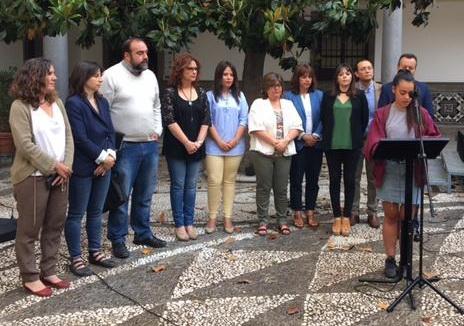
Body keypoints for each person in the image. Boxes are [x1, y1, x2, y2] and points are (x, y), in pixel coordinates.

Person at [365, 70, 440, 278]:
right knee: (391, 216)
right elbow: (373, 141)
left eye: (410, 93)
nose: (407, 97)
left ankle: (406, 260)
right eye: (402, 92)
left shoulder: (420, 113)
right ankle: (390, 259)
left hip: (413, 171)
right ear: (393, 90)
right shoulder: (383, 114)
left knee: (407, 218)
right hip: (390, 169)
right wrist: (381, 148)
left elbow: (433, 136)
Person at [9, 58, 74, 296]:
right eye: (50, 74)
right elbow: (24, 144)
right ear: (35, 77)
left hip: (60, 175)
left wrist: (65, 166)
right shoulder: (20, 106)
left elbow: (68, 136)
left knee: (55, 224)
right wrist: (53, 166)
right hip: (32, 177)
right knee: (29, 229)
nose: (55, 78)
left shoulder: (56, 102)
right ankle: (30, 276)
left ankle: (49, 270)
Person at [101, 37, 166, 259]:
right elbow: (103, 112)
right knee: (121, 196)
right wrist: (109, 146)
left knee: (145, 193)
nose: (145, 57)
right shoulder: (111, 76)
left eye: (146, 52)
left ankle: (142, 232)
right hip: (125, 146)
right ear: (126, 55)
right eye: (139, 53)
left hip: (149, 144)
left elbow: (156, 105)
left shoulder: (150, 76)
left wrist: (158, 128)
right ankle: (118, 239)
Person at [64, 61, 116, 277]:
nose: (100, 79)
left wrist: (111, 156)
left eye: (100, 75)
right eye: (96, 75)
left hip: (104, 166)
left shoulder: (102, 101)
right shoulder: (74, 103)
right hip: (84, 166)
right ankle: (76, 257)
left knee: (96, 212)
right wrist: (102, 158)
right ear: (84, 78)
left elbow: (110, 130)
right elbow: (80, 137)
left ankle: (95, 251)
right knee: (76, 213)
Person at [161, 53, 211, 241]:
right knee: (178, 185)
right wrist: (187, 143)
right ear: (180, 71)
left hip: (196, 146)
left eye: (196, 69)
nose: (194, 72)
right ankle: (179, 224)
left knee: (191, 186)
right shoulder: (170, 93)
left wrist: (198, 142)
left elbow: (206, 119)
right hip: (177, 146)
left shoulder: (203, 93)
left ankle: (190, 223)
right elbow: (169, 120)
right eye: (190, 68)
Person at [248, 72, 303, 236]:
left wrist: (285, 141)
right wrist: (274, 143)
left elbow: (297, 126)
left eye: (278, 85)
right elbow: (255, 128)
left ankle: (282, 220)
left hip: (284, 151)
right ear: (266, 88)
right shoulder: (259, 104)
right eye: (272, 86)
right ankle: (263, 221)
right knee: (264, 187)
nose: (275, 89)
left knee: (281, 188)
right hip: (263, 152)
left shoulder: (288, 104)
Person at [320, 63, 369, 237]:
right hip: (332, 145)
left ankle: (347, 216)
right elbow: (324, 119)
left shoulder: (360, 96)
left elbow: (364, 121)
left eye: (348, 73)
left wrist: (356, 136)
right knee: (334, 180)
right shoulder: (327, 97)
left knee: (350, 181)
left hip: (352, 146)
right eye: (341, 74)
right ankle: (336, 217)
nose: (345, 77)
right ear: (336, 78)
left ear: (352, 77)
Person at [205, 61, 248, 234]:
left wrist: (235, 140)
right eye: (225, 74)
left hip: (235, 147)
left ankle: (228, 218)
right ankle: (212, 218)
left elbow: (243, 119)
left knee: (230, 181)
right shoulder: (209, 96)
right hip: (214, 146)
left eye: (231, 74)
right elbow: (208, 120)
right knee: (214, 181)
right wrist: (220, 141)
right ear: (218, 76)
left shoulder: (240, 96)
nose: (228, 77)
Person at [283, 64, 323, 229]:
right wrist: (302, 136)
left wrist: (316, 135)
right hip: (298, 143)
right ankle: (297, 210)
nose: (307, 80)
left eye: (309, 76)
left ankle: (311, 210)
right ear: (297, 78)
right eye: (303, 76)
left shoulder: (319, 95)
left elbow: (325, 118)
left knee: (313, 179)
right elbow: (287, 120)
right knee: (296, 179)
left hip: (316, 143)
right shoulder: (289, 96)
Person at [352, 59, 382, 228]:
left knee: (373, 177)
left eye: (369, 68)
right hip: (357, 140)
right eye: (362, 69)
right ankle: (354, 211)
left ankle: (372, 212)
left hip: (374, 139)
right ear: (356, 73)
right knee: (354, 176)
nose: (367, 71)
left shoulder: (381, 89)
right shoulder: (352, 90)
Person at [378, 53, 434, 119]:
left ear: (415, 69)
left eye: (410, 68)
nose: (407, 69)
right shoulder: (386, 88)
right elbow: (380, 115)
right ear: (398, 67)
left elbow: (429, 116)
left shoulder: (424, 88)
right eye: (404, 67)